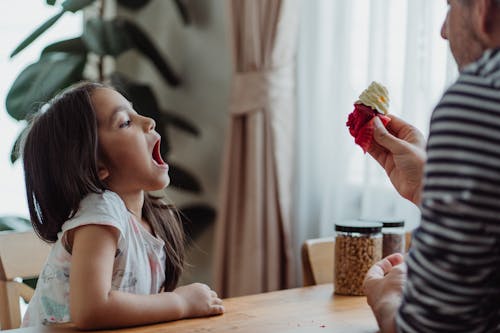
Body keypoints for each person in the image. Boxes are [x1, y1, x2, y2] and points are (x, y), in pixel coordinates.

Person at [20, 82, 224, 329]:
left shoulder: (151, 220)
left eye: (135, 112)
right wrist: (180, 303)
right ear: (96, 167)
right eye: (125, 122)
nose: (149, 121)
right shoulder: (101, 212)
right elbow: (91, 310)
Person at [362, 0, 500, 332]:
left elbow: (431, 327)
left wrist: (385, 299)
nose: (442, 31)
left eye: (451, 6)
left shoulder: (478, 97)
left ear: (484, 10)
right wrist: (429, 188)